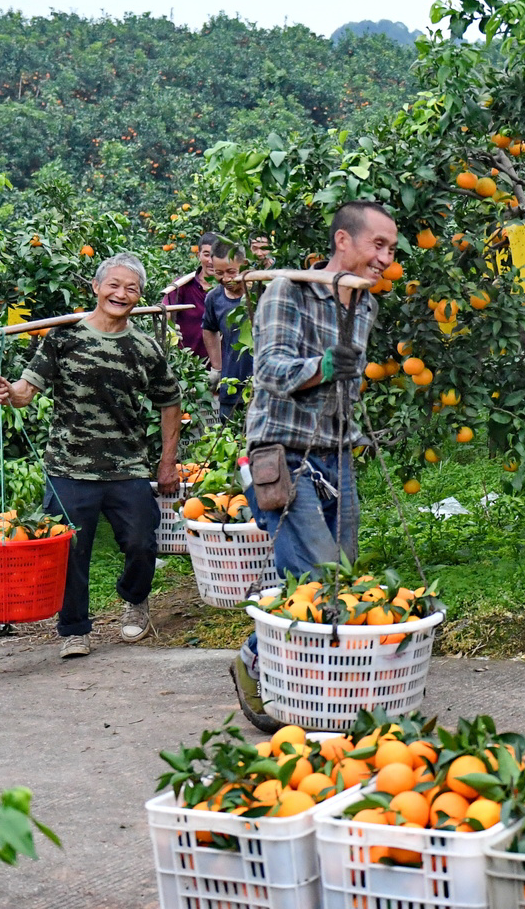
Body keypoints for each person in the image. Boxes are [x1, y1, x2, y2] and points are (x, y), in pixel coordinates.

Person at [230, 202, 397, 727]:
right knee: (317, 578)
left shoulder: (364, 305)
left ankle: (308, 681)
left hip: (338, 456)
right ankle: (258, 665)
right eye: (378, 245)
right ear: (343, 241)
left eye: (391, 249)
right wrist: (323, 366)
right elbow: (273, 371)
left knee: (340, 581)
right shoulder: (289, 290)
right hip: (284, 455)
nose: (385, 258)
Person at [0, 252, 183, 659]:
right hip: (69, 468)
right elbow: (26, 391)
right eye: (113, 284)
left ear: (139, 296)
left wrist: (167, 462)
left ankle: (135, 600)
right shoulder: (63, 338)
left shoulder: (145, 348)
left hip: (127, 466)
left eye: (131, 288)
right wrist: (7, 393)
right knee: (69, 551)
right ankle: (74, 629)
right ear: (95, 287)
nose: (121, 293)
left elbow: (170, 403)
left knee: (142, 544)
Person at [201, 239, 254, 420]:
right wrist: (217, 367)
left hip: (262, 386)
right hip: (231, 387)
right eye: (219, 273)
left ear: (244, 266)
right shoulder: (214, 298)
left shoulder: (261, 292)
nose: (226, 279)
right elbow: (208, 328)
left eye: (232, 272)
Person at [165, 232, 219, 361]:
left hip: (220, 366)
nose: (211, 260)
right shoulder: (182, 286)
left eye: (216, 255)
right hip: (189, 365)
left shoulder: (228, 288)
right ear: (198, 255)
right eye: (206, 254)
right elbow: (164, 312)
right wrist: (168, 328)